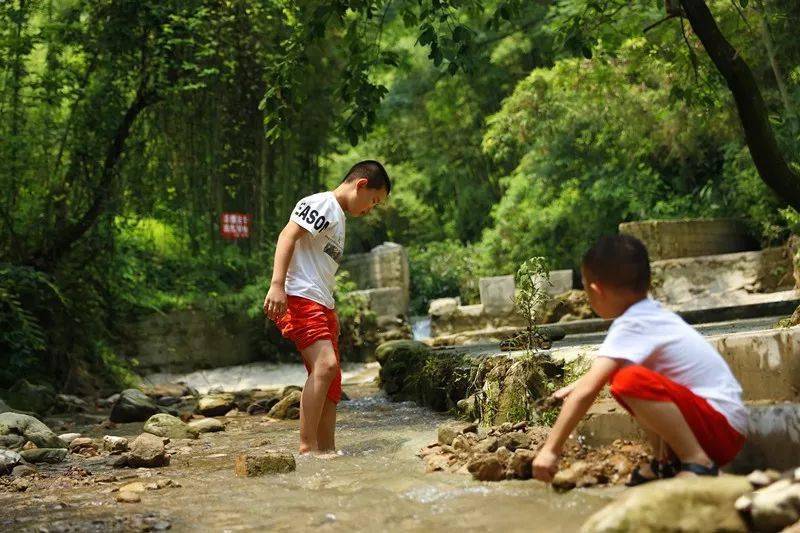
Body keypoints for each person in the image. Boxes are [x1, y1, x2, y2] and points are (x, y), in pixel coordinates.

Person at [532, 234, 747, 484]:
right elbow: (599, 374)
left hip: (721, 430)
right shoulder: (649, 314)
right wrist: (572, 386)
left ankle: (698, 462)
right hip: (722, 425)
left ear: (595, 290)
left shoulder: (632, 324)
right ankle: (664, 463)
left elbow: (589, 390)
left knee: (628, 381)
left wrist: (550, 450)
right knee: (624, 375)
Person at [263, 161, 391, 454]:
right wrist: (276, 285)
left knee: (331, 381)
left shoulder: (340, 218)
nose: (370, 208)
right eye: (373, 200)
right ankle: (307, 448)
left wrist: (331, 312)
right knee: (326, 366)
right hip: (299, 297)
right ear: (360, 185)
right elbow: (288, 236)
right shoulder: (321, 203)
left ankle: (327, 452)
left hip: (322, 303)